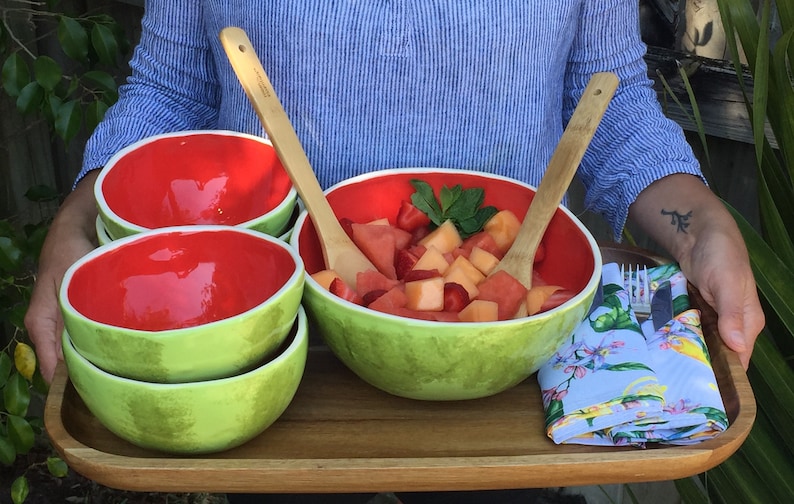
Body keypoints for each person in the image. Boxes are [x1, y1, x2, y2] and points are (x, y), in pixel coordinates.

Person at [27, 1, 763, 383]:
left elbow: (609, 99)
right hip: (278, 343)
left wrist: (699, 226)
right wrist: (79, 223)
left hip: (502, 366)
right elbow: (173, 86)